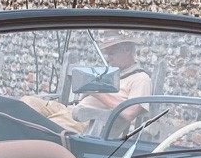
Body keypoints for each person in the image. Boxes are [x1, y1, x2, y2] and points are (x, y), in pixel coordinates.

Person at [22, 32, 152, 134]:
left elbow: (129, 113)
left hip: (88, 120)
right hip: (72, 110)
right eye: (107, 54)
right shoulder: (114, 74)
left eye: (112, 53)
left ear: (126, 49)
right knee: (26, 103)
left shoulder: (141, 78)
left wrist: (98, 93)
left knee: (42, 128)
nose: (108, 58)